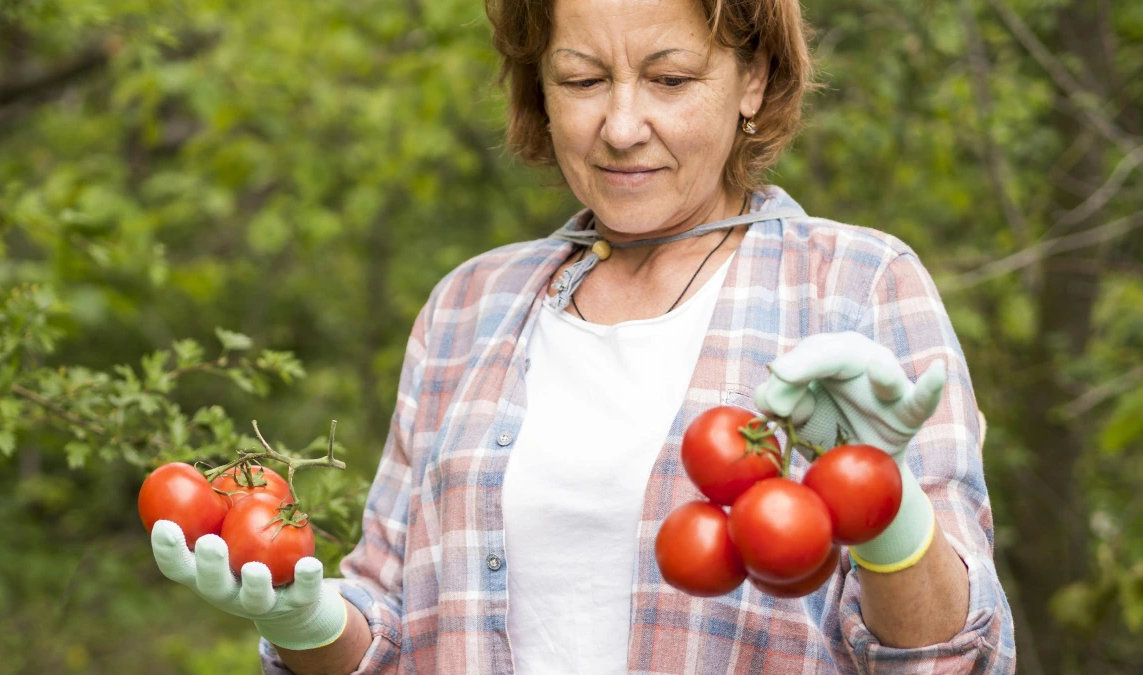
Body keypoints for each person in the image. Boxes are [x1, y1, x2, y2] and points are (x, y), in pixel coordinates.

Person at [148, 0, 1017, 672]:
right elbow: (389, 631)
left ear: (751, 78)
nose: (622, 124)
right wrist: (305, 623)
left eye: (671, 79)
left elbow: (955, 656)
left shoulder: (859, 284)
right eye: (582, 78)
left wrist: (890, 515)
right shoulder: (468, 306)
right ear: (541, 87)